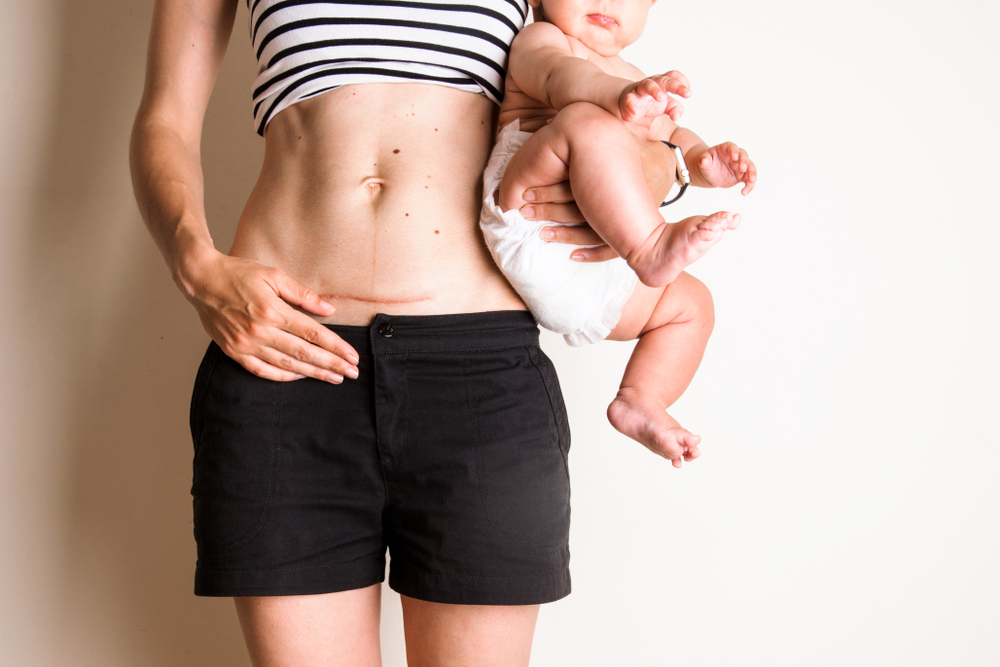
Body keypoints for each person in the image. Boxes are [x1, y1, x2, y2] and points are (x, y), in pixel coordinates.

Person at [129, 0, 683, 664]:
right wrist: (197, 266)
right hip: (285, 360)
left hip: (478, 377)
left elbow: (606, 77)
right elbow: (165, 118)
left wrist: (664, 168)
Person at [480, 0, 757, 465]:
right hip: (531, 217)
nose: (607, 2)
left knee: (693, 306)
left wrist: (704, 162)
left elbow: (673, 139)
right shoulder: (543, 40)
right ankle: (651, 244)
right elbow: (562, 78)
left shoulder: (635, 74)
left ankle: (642, 398)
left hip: (601, 267)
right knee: (586, 119)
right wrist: (624, 95)